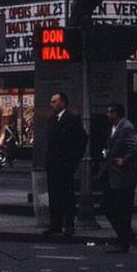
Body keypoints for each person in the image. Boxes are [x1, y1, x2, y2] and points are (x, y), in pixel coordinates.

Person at [43, 92, 87, 237]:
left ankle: (69, 225)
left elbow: (82, 139)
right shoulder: (51, 120)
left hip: (66, 165)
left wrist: (74, 160)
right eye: (51, 101)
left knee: (67, 196)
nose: (52, 104)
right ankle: (55, 224)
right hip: (53, 164)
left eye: (54, 101)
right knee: (54, 196)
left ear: (62, 102)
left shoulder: (72, 119)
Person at [100, 102, 137, 254]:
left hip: (124, 176)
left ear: (117, 114)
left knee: (122, 209)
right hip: (114, 175)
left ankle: (124, 241)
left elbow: (136, 146)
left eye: (110, 112)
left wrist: (125, 159)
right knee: (108, 206)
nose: (108, 115)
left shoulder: (126, 127)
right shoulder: (115, 128)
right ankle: (126, 233)